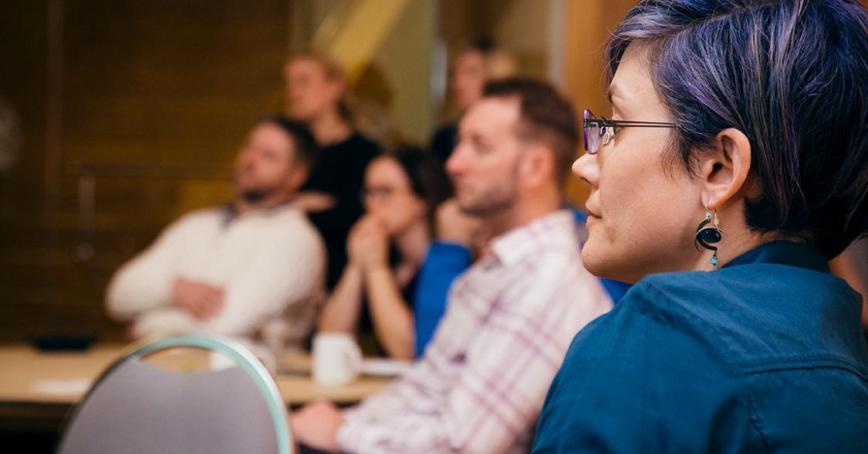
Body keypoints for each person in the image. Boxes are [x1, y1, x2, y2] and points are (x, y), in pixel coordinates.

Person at [532, 0, 868, 451]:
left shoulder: (654, 346)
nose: (583, 164)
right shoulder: (840, 341)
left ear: (719, 169)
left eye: (615, 125)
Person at [290, 78, 613, 453]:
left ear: (535, 167)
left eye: (480, 146)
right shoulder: (499, 267)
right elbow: (421, 390)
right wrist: (339, 422)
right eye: (460, 143)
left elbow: (463, 445)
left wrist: (341, 434)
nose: (454, 163)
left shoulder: (549, 279)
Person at [105, 116, 325, 345]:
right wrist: (174, 289)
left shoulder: (296, 239)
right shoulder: (196, 224)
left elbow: (228, 328)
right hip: (173, 370)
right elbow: (117, 296)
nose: (250, 160)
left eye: (268, 156)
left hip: (251, 378)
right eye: (249, 147)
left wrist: (146, 325)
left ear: (296, 176)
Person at [317, 146, 452, 359]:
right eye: (369, 192)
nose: (373, 204)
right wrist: (357, 263)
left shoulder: (445, 265)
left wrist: (375, 268)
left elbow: (409, 351)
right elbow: (329, 344)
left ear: (421, 200)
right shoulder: (386, 258)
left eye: (385, 192)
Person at [284, 52, 381, 290]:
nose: (293, 92)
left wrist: (291, 206)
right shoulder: (288, 151)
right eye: (289, 83)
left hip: (336, 276)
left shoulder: (365, 153)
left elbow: (358, 216)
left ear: (335, 87)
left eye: (304, 81)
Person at [430, 37, 516, 164]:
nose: (459, 83)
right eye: (454, 73)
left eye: (472, 73)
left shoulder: (513, 134)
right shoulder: (444, 138)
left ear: (496, 77)